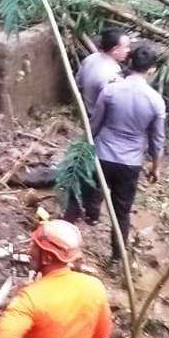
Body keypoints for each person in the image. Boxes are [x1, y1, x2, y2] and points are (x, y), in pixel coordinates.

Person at [84, 44, 166, 261]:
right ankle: (117, 255)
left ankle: (91, 215)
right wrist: (156, 167)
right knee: (122, 210)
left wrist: (86, 147)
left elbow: (95, 124)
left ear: (129, 64)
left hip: (103, 152)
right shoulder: (156, 101)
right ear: (151, 71)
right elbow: (157, 139)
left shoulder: (111, 90)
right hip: (130, 162)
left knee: (95, 187)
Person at [64, 27, 131, 224]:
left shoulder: (90, 60)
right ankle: (87, 211)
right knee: (96, 171)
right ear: (115, 49)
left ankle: (80, 209)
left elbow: (77, 84)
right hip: (102, 126)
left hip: (87, 116)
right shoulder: (113, 75)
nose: (129, 51)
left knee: (87, 165)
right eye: (126, 47)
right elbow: (113, 106)